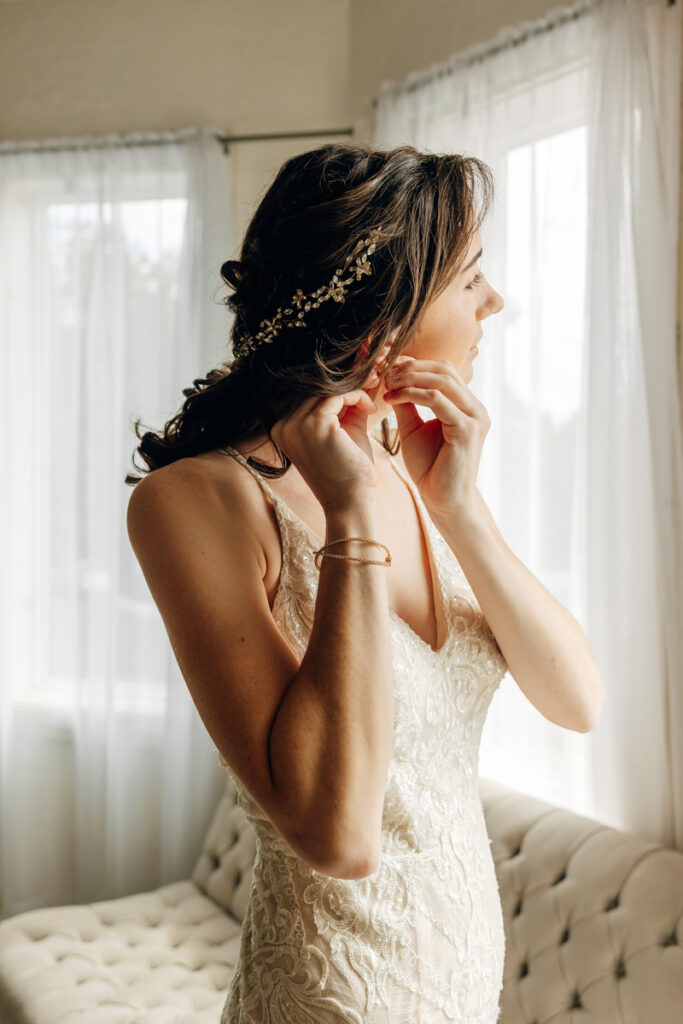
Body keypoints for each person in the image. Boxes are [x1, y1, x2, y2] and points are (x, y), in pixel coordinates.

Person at [125, 142, 603, 1023]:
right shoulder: (196, 501)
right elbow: (337, 834)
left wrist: (459, 509)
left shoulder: (408, 460)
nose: (493, 301)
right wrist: (347, 520)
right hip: (334, 996)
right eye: (470, 280)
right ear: (384, 315)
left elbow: (576, 699)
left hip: (460, 981)